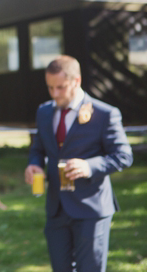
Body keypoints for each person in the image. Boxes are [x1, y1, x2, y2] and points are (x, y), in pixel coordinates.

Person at [24, 55, 133, 272]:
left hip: (91, 208)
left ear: (77, 81)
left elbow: (123, 155)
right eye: (50, 88)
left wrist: (89, 167)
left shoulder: (105, 114)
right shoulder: (44, 112)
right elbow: (38, 148)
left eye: (60, 88)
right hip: (56, 209)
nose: (55, 94)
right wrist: (34, 164)